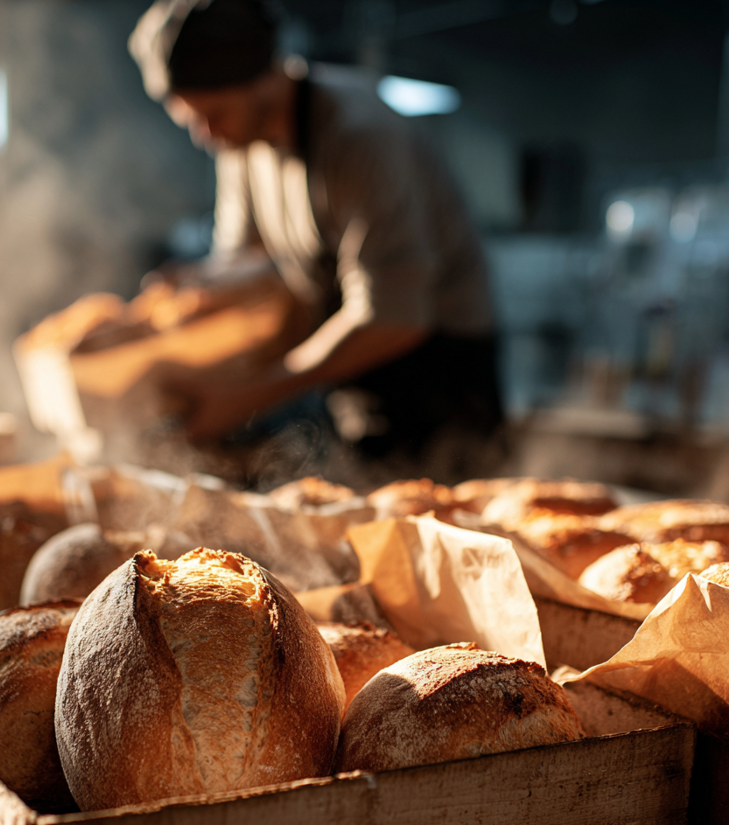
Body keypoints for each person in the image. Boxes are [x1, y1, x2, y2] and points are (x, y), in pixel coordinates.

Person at [130, 0, 503, 477]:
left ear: (266, 75)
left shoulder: (358, 137)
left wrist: (243, 397)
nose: (205, 135)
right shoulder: (238, 141)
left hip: (438, 373)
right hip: (349, 363)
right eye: (190, 119)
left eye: (216, 113)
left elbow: (392, 317)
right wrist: (175, 299)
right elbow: (245, 258)